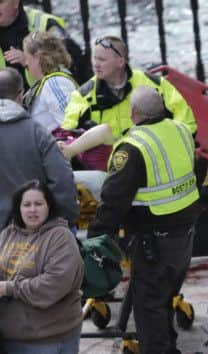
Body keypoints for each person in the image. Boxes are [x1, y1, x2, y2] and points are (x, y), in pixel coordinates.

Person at [87, 86, 200, 354]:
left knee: (149, 307)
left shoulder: (133, 147)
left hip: (154, 241)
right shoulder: (181, 130)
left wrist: (95, 238)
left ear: (133, 113)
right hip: (185, 235)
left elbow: (114, 200)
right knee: (164, 298)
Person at [60, 35, 196, 170]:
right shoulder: (82, 96)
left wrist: (170, 149)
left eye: (101, 59)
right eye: (94, 58)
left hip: (156, 160)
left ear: (120, 62)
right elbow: (66, 137)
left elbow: (187, 123)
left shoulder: (154, 84)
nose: (95, 64)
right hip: (112, 171)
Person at [0, 179, 84, 354]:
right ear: (18, 207)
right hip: (10, 336)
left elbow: (53, 285)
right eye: (26, 204)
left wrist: (9, 288)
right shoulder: (8, 233)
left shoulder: (60, 237)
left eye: (38, 203)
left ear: (49, 206)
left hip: (49, 339)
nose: (32, 209)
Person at [0, 67, 78, 228]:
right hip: (33, 233)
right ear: (20, 95)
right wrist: (64, 220)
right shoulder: (38, 133)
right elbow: (62, 180)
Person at [0, 0, 90, 87]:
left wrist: (29, 62)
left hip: (49, 97)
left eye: (1, 2)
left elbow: (72, 69)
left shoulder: (46, 25)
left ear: (16, 2)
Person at [22, 31, 78, 134]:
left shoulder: (55, 83)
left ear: (37, 57)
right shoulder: (50, 82)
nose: (26, 63)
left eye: (27, 57)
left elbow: (72, 126)